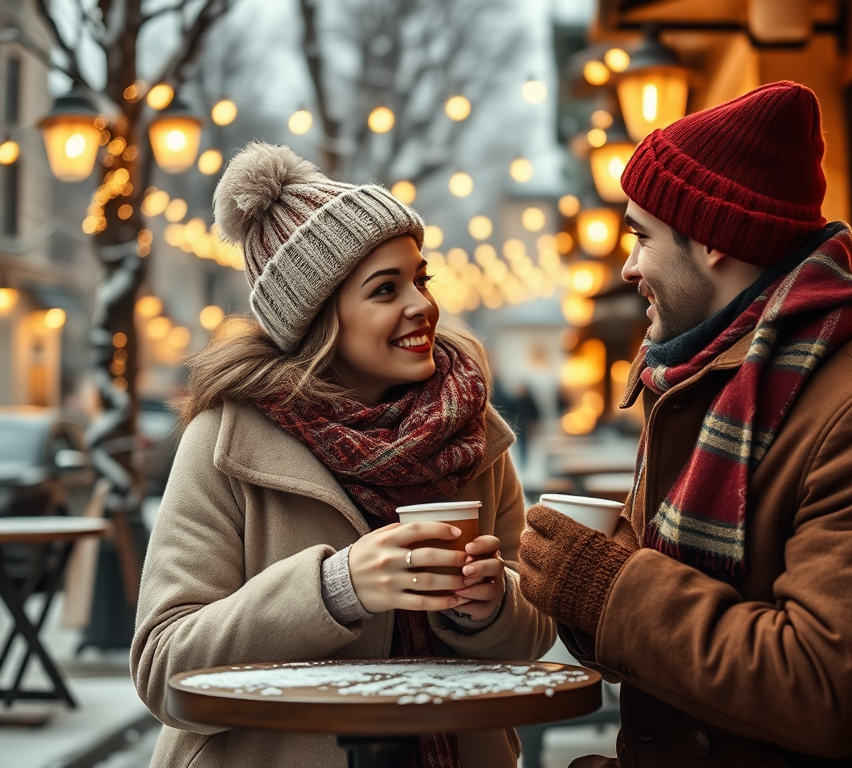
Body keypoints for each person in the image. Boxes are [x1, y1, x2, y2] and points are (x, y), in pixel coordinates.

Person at [519, 82, 852, 767]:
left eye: (642, 236)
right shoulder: (703, 386)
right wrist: (579, 585)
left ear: (710, 242)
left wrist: (610, 587)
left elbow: (821, 691)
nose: (628, 266)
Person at [131, 142, 555, 768]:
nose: (422, 305)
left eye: (420, 278)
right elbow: (164, 667)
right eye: (386, 289)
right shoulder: (226, 437)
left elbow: (532, 633)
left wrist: (492, 607)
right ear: (318, 318)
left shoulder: (471, 430)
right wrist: (335, 589)